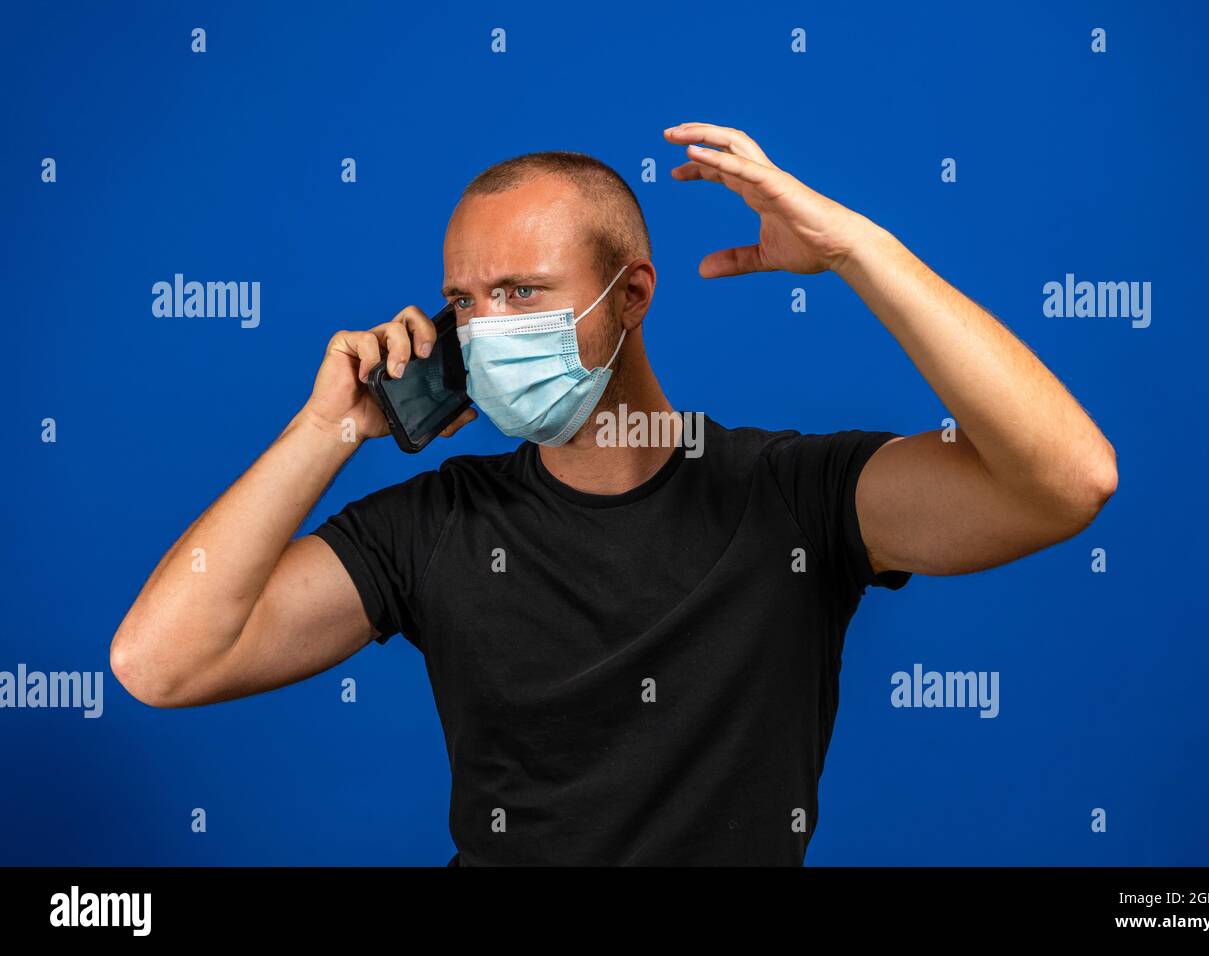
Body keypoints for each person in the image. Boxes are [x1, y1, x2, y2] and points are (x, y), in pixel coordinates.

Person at [111, 122, 1117, 866]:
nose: (485, 326)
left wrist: (859, 250)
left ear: (630, 294)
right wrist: (328, 427)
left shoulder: (794, 499)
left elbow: (1069, 479)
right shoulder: (434, 525)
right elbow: (159, 663)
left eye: (521, 292)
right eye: (465, 300)